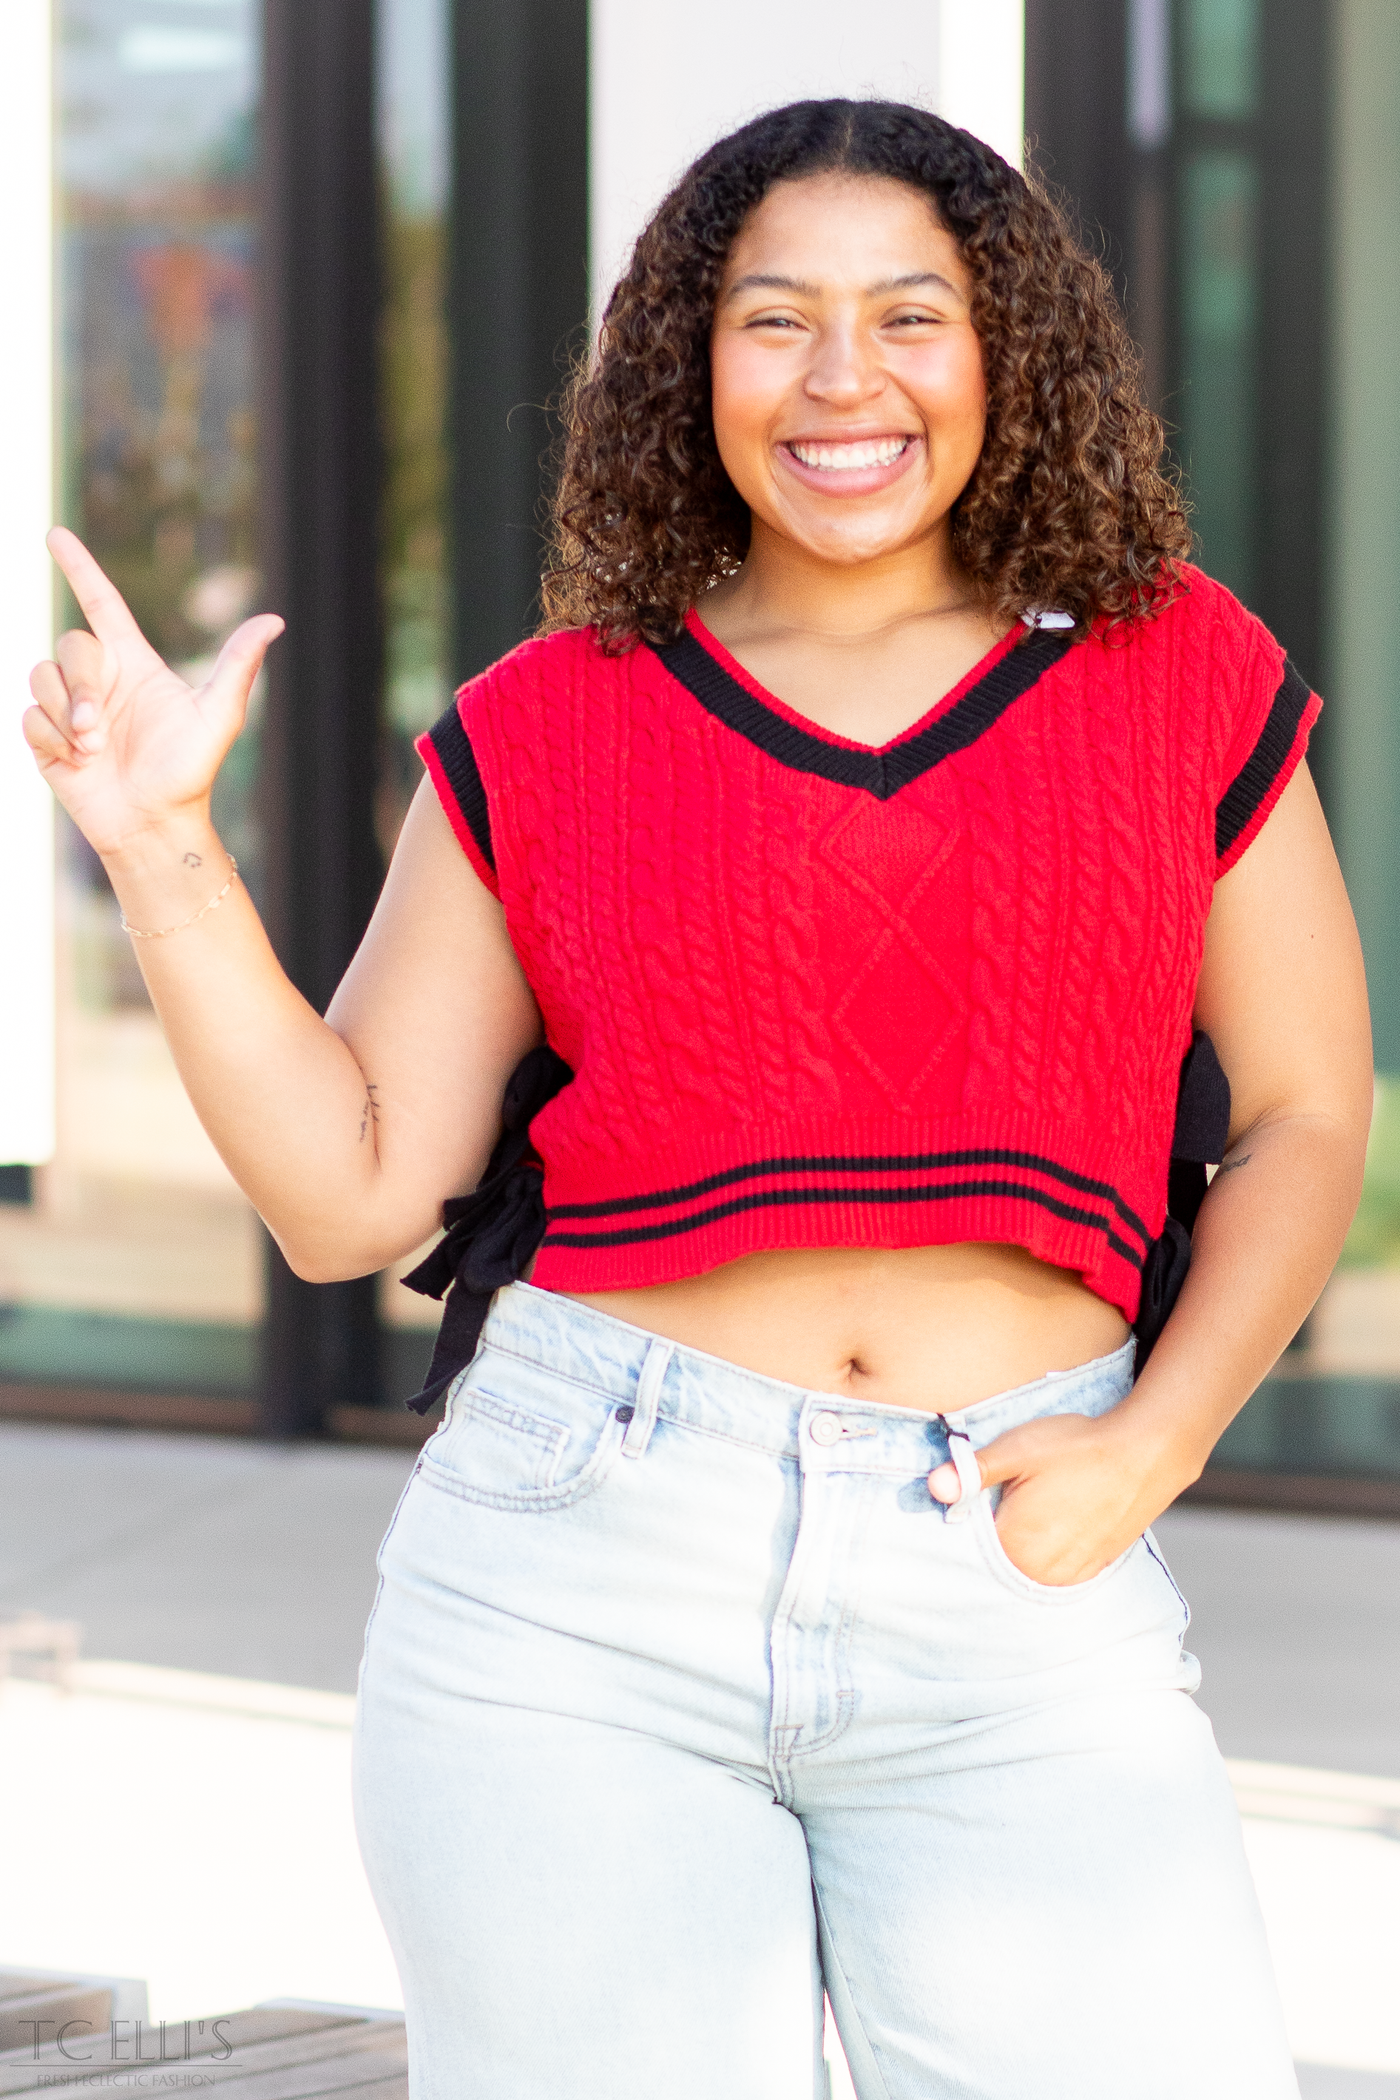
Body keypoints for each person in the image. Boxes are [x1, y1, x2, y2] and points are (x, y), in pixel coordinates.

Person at [25, 99, 1370, 2100]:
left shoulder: (1176, 674)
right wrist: (159, 852)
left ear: (1006, 349)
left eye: (909, 315)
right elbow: (350, 1197)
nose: (844, 381)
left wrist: (1151, 1448)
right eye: (774, 321)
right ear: (686, 362)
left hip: (1017, 1553)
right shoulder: (545, 721)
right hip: (577, 1578)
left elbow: (1302, 1120)